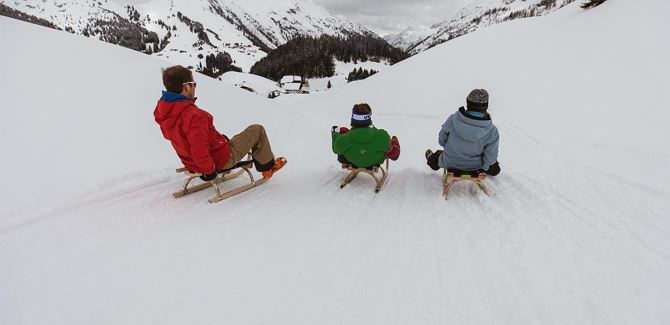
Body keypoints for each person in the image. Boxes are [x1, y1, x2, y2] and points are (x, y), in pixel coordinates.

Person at [154, 65, 286, 181]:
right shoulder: (194, 116)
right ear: (186, 86)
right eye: (194, 84)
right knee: (257, 130)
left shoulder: (165, 112)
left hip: (191, 163)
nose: (195, 87)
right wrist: (209, 170)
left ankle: (220, 148)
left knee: (228, 139)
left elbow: (187, 139)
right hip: (218, 161)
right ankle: (268, 168)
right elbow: (198, 147)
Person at [425, 89, 500, 176]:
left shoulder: (452, 120)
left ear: (467, 102)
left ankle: (432, 159)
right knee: (495, 168)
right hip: (476, 167)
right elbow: (490, 159)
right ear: (486, 106)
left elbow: (441, 141)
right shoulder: (492, 131)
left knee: (437, 156)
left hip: (450, 162)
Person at [331, 103, 400, 168]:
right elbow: (394, 155)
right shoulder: (382, 135)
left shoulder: (344, 139)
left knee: (342, 138)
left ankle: (345, 162)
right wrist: (394, 142)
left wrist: (335, 134)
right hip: (374, 161)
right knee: (389, 144)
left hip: (352, 161)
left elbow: (335, 149)